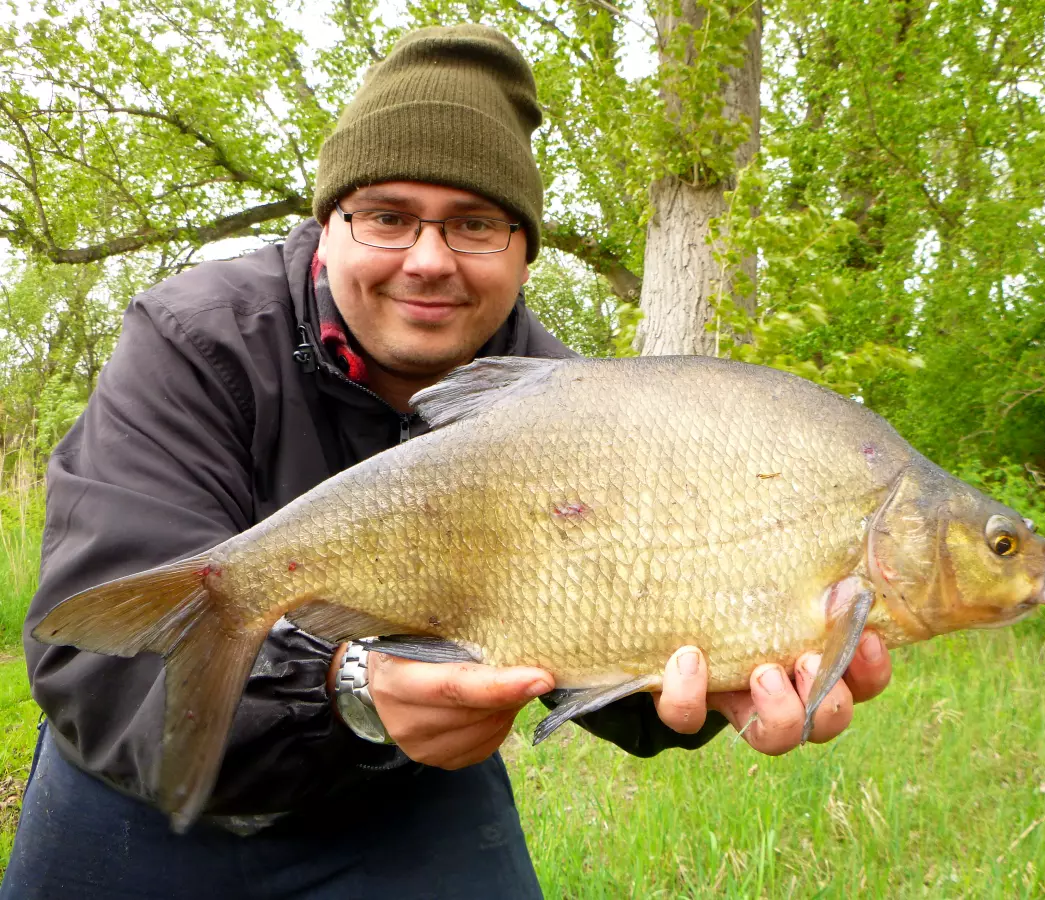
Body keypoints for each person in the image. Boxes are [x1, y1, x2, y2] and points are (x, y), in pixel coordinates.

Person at [2, 24, 892, 899]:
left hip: (398, 783)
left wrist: (726, 675)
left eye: (474, 225)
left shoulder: (578, 406)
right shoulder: (196, 341)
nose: (428, 261)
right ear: (330, 223)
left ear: (524, 250)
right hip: (134, 778)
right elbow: (98, 667)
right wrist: (347, 689)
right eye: (388, 217)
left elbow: (596, 638)